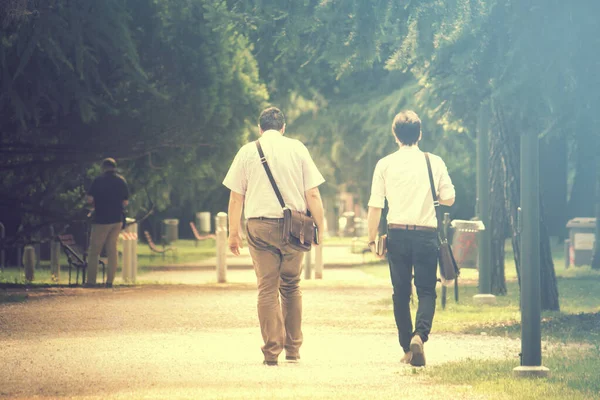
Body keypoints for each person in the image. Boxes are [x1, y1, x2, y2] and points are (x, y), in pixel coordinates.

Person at [223, 107, 325, 366]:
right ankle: (293, 349)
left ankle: (271, 352)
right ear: (283, 127)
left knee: (267, 288)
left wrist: (233, 233)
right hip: (294, 227)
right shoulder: (298, 148)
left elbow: (236, 197)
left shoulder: (247, 151)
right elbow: (312, 193)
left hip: (259, 227)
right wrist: (319, 227)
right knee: (291, 286)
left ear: (260, 128)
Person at [366, 110, 455, 367]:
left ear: (395, 135)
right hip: (426, 235)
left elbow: (375, 205)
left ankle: (407, 347)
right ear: (420, 134)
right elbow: (449, 198)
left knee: (401, 293)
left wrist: (372, 240)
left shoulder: (384, 164)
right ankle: (420, 336)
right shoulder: (434, 161)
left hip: (397, 234)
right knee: (427, 290)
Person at [86, 158, 129, 288]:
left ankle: (91, 281)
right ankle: (110, 281)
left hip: (101, 219)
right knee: (112, 250)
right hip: (117, 220)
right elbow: (125, 202)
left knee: (94, 251)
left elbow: (89, 199)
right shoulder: (121, 181)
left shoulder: (98, 181)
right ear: (114, 167)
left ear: (103, 167)